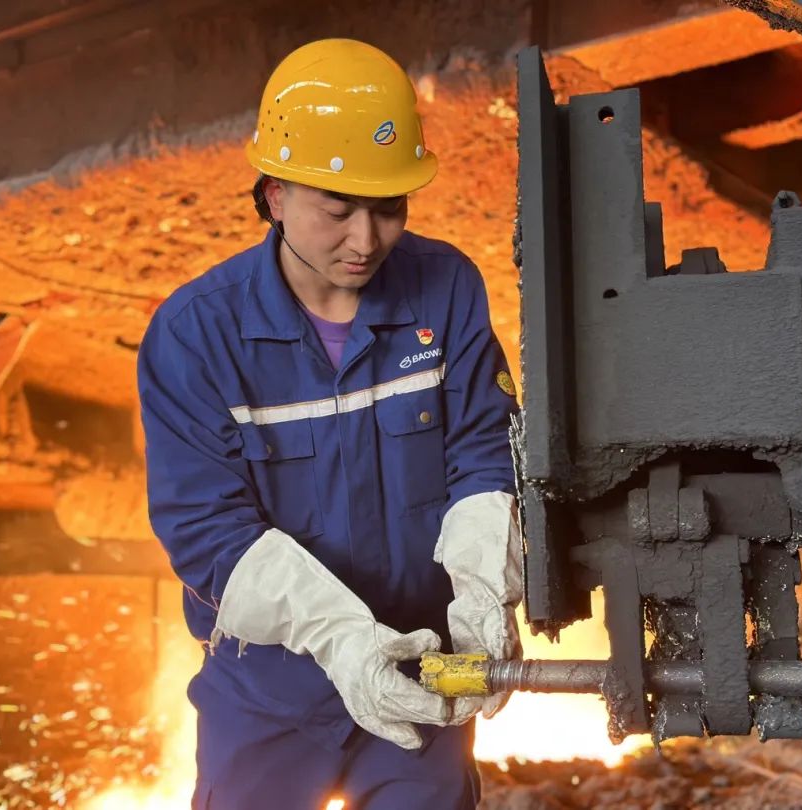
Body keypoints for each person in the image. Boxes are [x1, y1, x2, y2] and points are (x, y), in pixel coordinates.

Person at [138, 38, 522, 810]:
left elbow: (484, 452)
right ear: (274, 194)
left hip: (421, 666)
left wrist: (484, 596)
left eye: (389, 207)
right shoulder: (194, 336)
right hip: (269, 691)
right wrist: (342, 640)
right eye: (338, 210)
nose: (366, 241)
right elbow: (207, 531)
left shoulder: (444, 286)